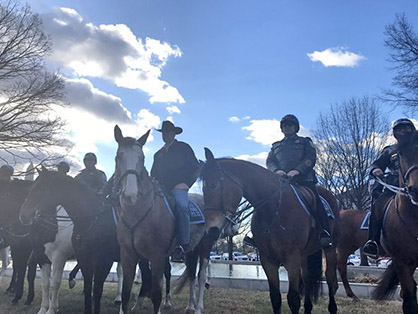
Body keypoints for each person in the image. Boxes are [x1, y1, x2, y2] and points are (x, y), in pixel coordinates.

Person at [266, 114, 332, 249]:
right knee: (266, 201)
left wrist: (297, 171)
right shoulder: (275, 146)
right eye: (284, 125)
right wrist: (276, 170)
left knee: (316, 200)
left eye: (290, 125)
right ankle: (260, 233)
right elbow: (270, 161)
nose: (287, 127)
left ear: (296, 127)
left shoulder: (304, 142)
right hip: (282, 182)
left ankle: (324, 232)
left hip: (303, 180)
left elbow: (310, 158)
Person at [363, 118, 416, 259]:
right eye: (400, 129)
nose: (403, 131)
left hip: (416, 185)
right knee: (378, 204)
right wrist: (376, 170)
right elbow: (375, 164)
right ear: (395, 133)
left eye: (406, 128)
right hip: (394, 188)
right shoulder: (390, 151)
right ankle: (373, 241)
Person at [151, 120, 199, 262]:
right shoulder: (157, 154)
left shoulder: (184, 148)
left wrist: (186, 183)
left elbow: (196, 168)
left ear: (173, 133)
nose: (166, 135)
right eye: (164, 133)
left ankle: (183, 245)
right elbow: (153, 174)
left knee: (182, 207)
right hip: (160, 189)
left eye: (168, 132)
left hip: (178, 187)